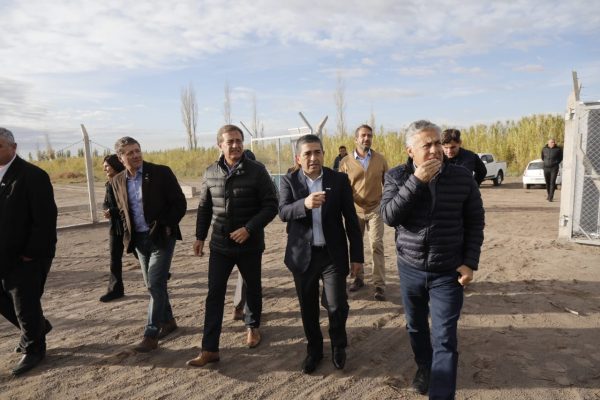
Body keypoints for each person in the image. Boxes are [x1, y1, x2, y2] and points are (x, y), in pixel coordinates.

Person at [381, 120, 484, 398]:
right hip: (410, 268)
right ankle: (425, 367)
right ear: (410, 151)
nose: (435, 149)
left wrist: (469, 262)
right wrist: (416, 181)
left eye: (437, 143)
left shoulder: (461, 177)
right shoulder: (397, 176)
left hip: (448, 271)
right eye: (426, 145)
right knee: (415, 326)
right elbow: (389, 216)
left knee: (445, 337)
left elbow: (475, 221)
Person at [187, 125, 278, 368]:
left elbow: (271, 205)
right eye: (230, 142)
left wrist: (249, 229)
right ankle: (209, 349)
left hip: (249, 244)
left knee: (253, 287)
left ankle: (252, 327)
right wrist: (199, 236)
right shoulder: (210, 172)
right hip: (220, 246)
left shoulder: (257, 171)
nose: (235, 145)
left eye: (239, 141)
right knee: (214, 294)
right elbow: (205, 207)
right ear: (220, 145)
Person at [279, 134, 363, 374]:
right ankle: (314, 350)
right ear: (298, 158)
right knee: (308, 308)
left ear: (324, 154)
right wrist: (304, 205)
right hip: (302, 257)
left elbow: (351, 220)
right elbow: (283, 212)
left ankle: (338, 345)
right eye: (307, 153)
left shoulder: (338, 180)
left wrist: (357, 257)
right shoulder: (289, 181)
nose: (313, 157)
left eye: (317, 152)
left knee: (337, 305)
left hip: (331, 255)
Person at [111, 136, 187, 352]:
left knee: (154, 283)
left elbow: (179, 203)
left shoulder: (161, 172)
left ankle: (151, 334)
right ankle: (169, 321)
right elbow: (123, 211)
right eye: (130, 153)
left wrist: (167, 225)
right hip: (139, 241)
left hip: (161, 237)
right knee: (155, 285)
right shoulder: (117, 181)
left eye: (137, 150)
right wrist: (128, 237)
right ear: (120, 157)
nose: (136, 155)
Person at [0, 127, 57, 376]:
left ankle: (34, 349)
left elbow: (45, 219)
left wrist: (31, 253)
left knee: (25, 302)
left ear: (13, 148)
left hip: (26, 255)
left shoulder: (32, 175)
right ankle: (38, 327)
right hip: (2, 253)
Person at [339, 124, 389, 300]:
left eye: (369, 135)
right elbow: (341, 188)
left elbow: (388, 184)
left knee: (376, 245)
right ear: (356, 139)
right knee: (355, 245)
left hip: (375, 209)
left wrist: (386, 203)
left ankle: (379, 285)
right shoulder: (345, 162)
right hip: (354, 211)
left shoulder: (380, 159)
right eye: (363, 135)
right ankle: (358, 278)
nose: (367, 138)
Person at [99, 154, 126, 302]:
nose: (105, 169)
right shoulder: (109, 183)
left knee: (141, 253)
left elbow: (128, 204)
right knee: (114, 258)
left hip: (128, 225)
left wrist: (113, 211)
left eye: (107, 166)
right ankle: (115, 289)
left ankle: (160, 274)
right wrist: (106, 210)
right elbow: (106, 202)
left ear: (115, 165)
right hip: (115, 226)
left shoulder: (125, 181)